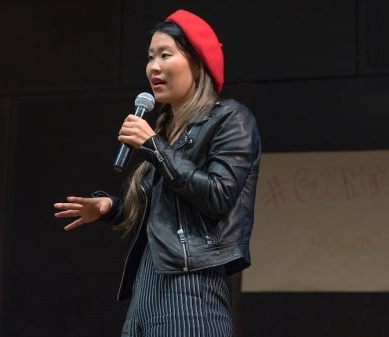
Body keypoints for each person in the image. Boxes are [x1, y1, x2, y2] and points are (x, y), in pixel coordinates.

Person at [54, 9, 261, 337]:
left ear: (197, 62)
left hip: (191, 291)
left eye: (166, 55)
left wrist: (153, 146)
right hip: (145, 292)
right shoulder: (164, 133)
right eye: (150, 57)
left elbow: (218, 196)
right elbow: (162, 217)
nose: (153, 66)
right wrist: (111, 208)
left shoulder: (230, 119)